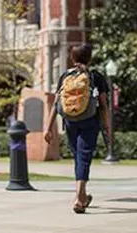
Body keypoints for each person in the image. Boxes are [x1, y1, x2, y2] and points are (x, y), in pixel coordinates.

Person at [43, 44, 109, 213]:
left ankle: (83, 195)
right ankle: (79, 198)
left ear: (72, 58)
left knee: (78, 157)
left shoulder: (66, 76)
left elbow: (56, 103)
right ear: (90, 57)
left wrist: (48, 128)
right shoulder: (95, 77)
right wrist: (107, 126)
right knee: (84, 156)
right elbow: (103, 105)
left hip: (70, 121)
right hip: (90, 121)